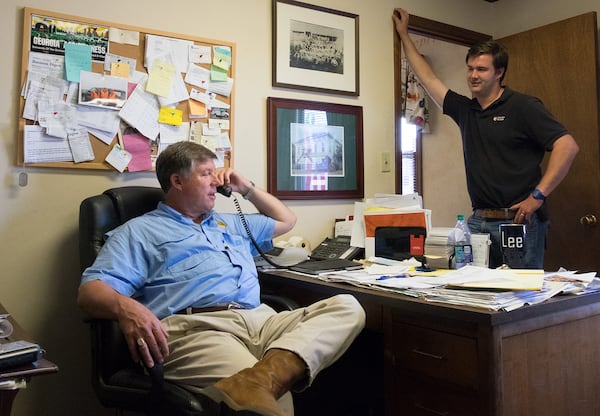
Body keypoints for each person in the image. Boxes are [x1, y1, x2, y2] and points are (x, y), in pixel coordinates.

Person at [77, 141, 366, 416]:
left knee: (347, 307)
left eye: (216, 173)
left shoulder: (228, 222)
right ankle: (260, 384)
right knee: (273, 398)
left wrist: (246, 188)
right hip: (197, 330)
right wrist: (127, 308)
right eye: (206, 174)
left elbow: (286, 221)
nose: (216, 181)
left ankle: (257, 380)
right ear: (177, 181)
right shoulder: (140, 231)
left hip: (260, 321)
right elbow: (90, 292)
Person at [392, 8, 579, 269]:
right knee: (479, 294)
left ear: (499, 72)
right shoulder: (465, 110)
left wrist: (538, 195)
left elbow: (567, 145)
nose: (473, 75)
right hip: (478, 222)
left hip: (518, 222)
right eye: (470, 68)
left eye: (481, 69)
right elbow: (428, 77)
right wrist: (404, 34)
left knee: (518, 297)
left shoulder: (523, 106)